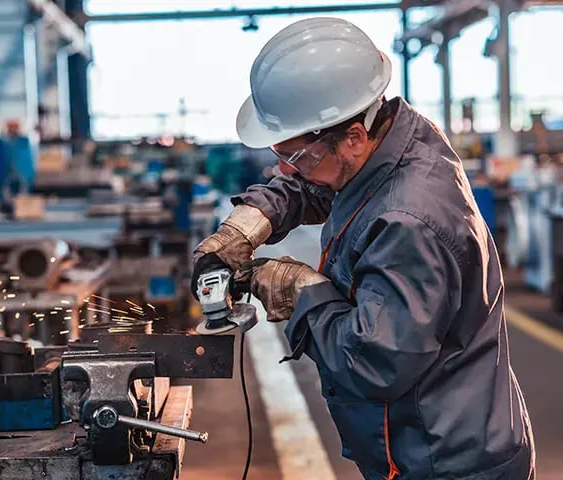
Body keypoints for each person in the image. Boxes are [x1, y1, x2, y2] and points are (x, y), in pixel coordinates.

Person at [191, 17, 535, 480]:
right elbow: (314, 185)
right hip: (428, 439)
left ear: (352, 136)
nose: (285, 170)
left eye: (293, 156)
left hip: (444, 460)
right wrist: (246, 226)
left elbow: (371, 363)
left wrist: (299, 291)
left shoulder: (409, 222)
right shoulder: (389, 139)